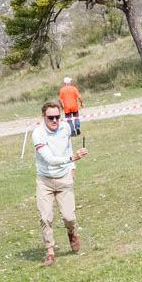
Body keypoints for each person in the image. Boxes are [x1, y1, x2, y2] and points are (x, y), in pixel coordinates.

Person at [33, 100, 86, 266]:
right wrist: (72, 158)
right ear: (43, 117)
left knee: (69, 217)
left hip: (64, 178)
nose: (55, 120)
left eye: (57, 116)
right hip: (45, 180)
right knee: (45, 217)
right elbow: (49, 159)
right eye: (51, 117)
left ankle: (71, 233)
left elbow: (68, 147)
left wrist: (72, 168)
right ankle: (50, 252)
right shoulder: (38, 134)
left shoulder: (65, 128)